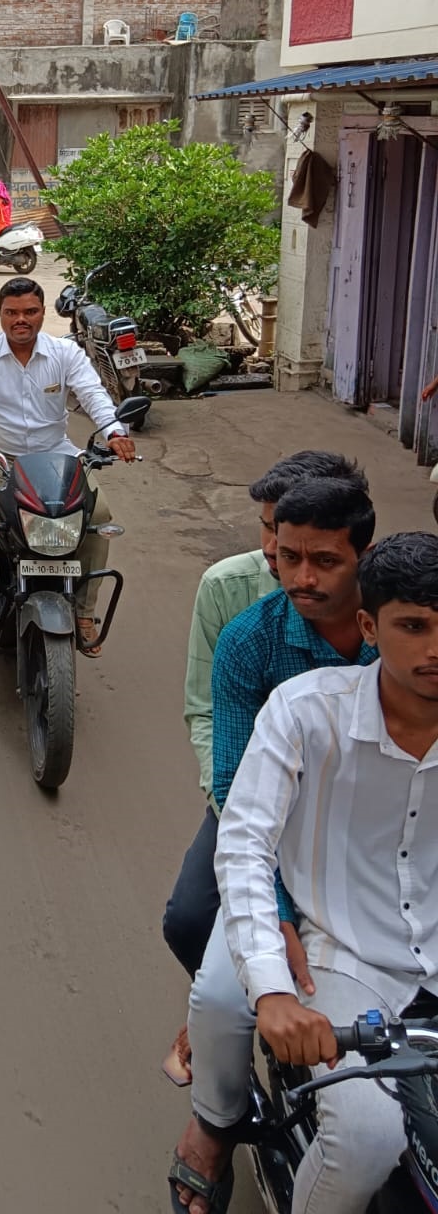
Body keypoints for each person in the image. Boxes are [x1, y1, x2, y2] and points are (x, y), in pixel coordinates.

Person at [196, 532, 438, 1214]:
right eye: (414, 627)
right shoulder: (303, 710)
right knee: (365, 1138)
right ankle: (213, 1123)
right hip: (342, 958)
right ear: (370, 626)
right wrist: (273, 992)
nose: (435, 649)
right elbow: (244, 843)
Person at [170, 477, 378, 1214]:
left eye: (324, 561)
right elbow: (236, 794)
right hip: (277, 848)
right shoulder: (250, 641)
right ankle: (213, 1124)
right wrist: (279, 913)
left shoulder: (401, 639)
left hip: (382, 859)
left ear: (364, 559)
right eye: (288, 558)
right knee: (222, 995)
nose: (301, 578)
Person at [166, 451, 371, 979]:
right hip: (252, 791)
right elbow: (208, 717)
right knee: (189, 922)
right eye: (274, 533)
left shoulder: (396, 614)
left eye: (322, 556)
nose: (277, 554)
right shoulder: (236, 613)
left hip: (368, 803)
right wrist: (238, 810)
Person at [0, 278, 135, 649]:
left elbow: (94, 395)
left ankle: (84, 611)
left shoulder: (65, 353)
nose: (20, 320)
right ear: (0, 314)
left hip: (55, 454)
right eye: (12, 312)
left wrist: (115, 433)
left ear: (42, 313)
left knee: (98, 514)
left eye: (29, 312)